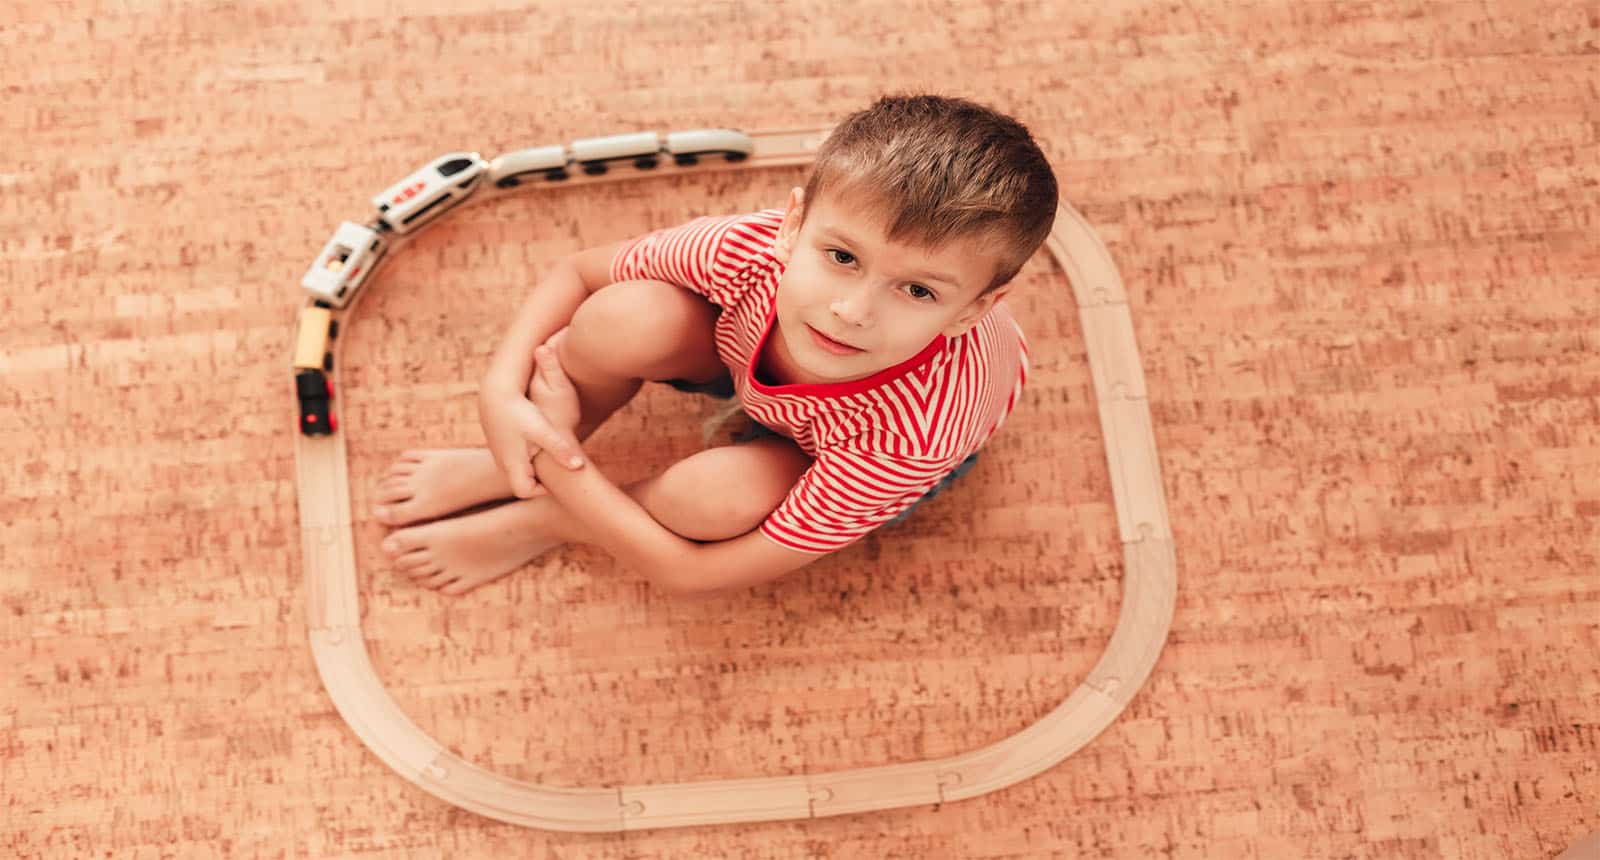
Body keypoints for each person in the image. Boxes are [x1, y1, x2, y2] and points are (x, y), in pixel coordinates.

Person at [374, 93, 1059, 597]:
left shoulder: (915, 434)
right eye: (842, 257)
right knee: (621, 315)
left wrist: (564, 478)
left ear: (977, 309)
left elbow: (691, 572)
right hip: (745, 353)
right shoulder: (751, 248)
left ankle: (543, 512)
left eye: (918, 292)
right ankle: (516, 454)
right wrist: (499, 393)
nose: (851, 312)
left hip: (840, 438)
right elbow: (578, 273)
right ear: (792, 226)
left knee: (715, 500)